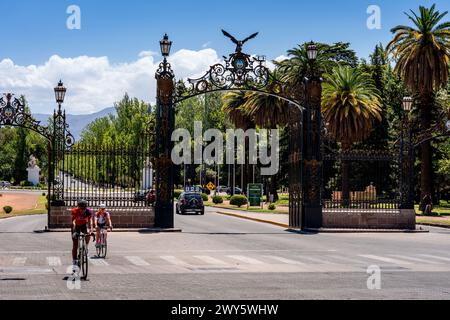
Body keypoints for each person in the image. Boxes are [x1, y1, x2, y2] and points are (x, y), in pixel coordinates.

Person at [71, 200, 93, 266]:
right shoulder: (75, 211)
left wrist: (91, 230)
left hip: (84, 225)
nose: (82, 210)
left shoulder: (88, 211)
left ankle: (86, 246)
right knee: (75, 244)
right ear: (78, 207)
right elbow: (73, 221)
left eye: (84, 209)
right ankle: (74, 260)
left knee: (88, 233)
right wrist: (74, 230)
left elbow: (90, 221)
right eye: (81, 209)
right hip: (76, 226)